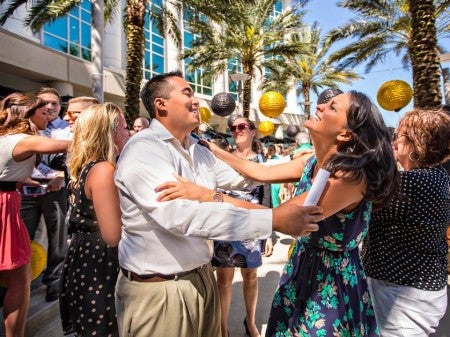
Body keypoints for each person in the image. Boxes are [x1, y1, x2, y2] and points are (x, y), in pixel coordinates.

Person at [157, 90, 398, 336]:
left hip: (330, 282)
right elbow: (258, 172)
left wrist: (207, 195)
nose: (321, 106)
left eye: (332, 107)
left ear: (346, 133)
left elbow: (280, 215)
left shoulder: (348, 177)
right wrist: (210, 147)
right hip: (303, 265)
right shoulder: (313, 162)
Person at [113, 71, 324, 337]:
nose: (196, 102)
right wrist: (272, 220)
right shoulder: (144, 149)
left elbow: (247, 178)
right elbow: (184, 217)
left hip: (202, 277)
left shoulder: (198, 149)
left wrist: (313, 159)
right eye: (187, 93)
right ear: (161, 104)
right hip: (161, 290)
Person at [362, 108, 450, 337]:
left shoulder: (410, 183)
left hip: (400, 294)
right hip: (423, 288)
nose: (394, 142)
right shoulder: (438, 176)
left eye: (399, 136)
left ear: (416, 143)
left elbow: (361, 200)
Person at [0, 92, 69, 337]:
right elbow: (70, 144)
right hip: (4, 207)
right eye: (43, 111)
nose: (49, 115)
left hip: (9, 197)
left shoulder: (5, 137)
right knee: (20, 281)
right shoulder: (24, 141)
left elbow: (10, 175)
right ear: (29, 114)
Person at [59, 103, 130, 336]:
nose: (128, 133)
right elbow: (112, 235)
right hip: (100, 264)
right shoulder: (103, 169)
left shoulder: (86, 167)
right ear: (109, 132)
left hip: (85, 259)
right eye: (124, 127)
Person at [212, 117, 273, 337]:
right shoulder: (223, 159)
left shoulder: (261, 161)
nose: (236, 130)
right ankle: (222, 326)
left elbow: (266, 198)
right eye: (233, 127)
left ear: (253, 132)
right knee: (224, 281)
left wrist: (269, 234)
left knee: (251, 277)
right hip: (226, 225)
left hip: (252, 226)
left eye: (242, 127)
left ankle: (251, 322)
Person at [20, 87, 69, 302]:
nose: (49, 107)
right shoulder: (28, 127)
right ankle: (20, 280)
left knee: (57, 236)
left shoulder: (68, 130)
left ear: (60, 106)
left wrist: (61, 177)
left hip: (56, 190)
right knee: (23, 235)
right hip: (27, 190)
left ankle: (54, 281)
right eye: (44, 103)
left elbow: (74, 158)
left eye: (54, 103)